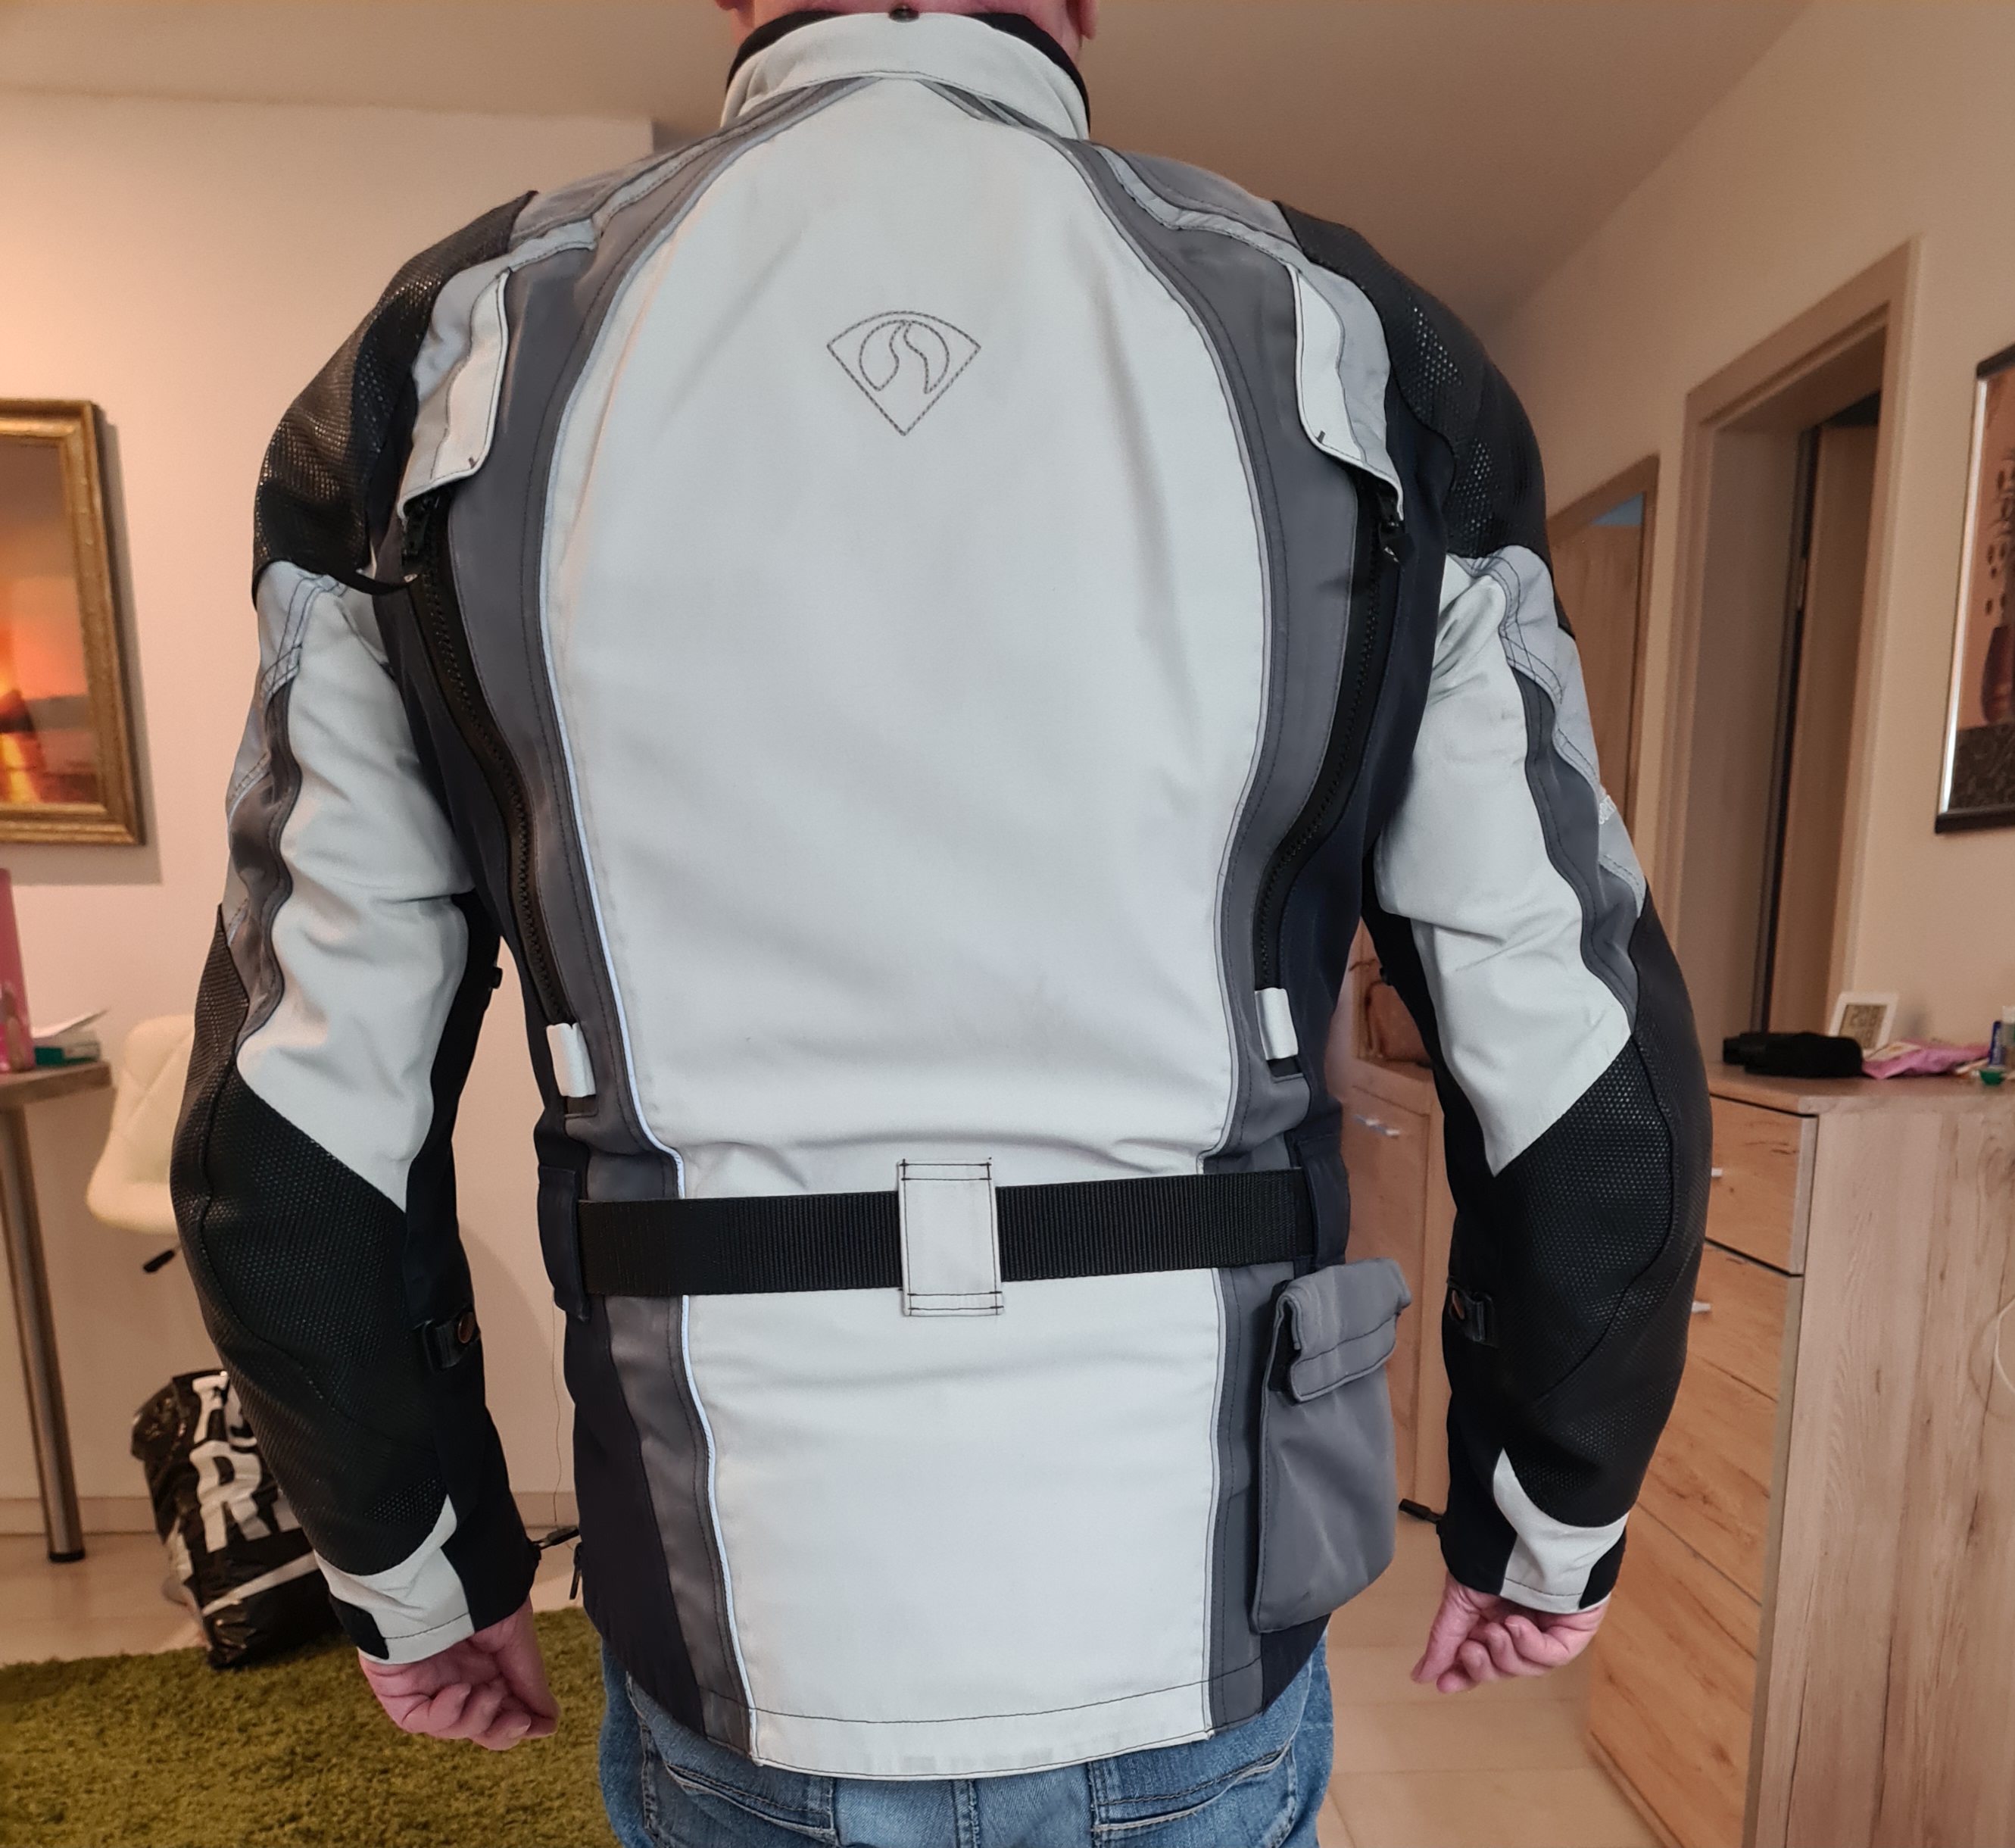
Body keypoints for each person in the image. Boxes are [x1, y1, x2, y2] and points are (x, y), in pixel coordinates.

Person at [172, 2, 1711, 1842]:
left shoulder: (453, 353)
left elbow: (297, 1110)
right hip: (1186, 1621)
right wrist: (1546, 1512)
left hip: (740, 1622)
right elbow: (1573, 1057)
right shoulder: (1349, 341)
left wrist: (413, 1558)